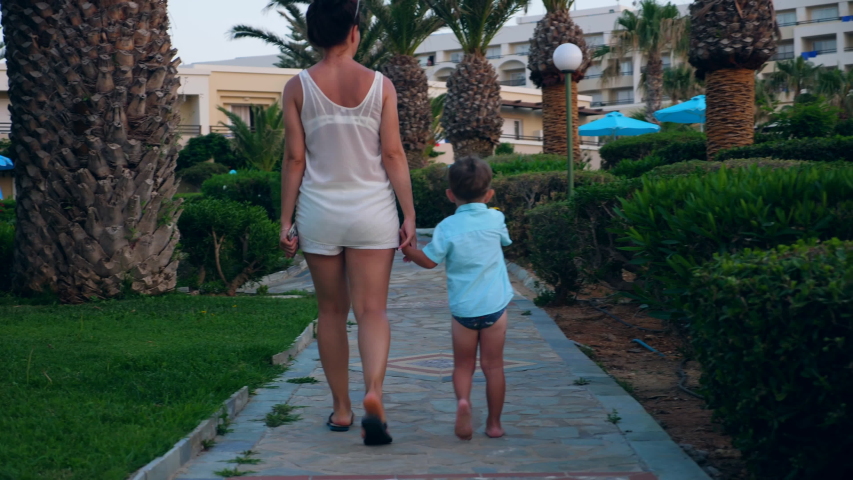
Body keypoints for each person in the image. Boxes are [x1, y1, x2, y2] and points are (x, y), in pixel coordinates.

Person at [278, 0, 416, 446]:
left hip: (319, 212)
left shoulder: (298, 86)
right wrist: (409, 213)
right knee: (372, 310)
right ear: (354, 32)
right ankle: (374, 392)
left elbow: (295, 158)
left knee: (331, 312)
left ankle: (341, 409)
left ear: (312, 35)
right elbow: (393, 153)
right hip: (373, 211)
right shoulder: (380, 85)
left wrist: (285, 220)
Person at [401, 156, 513, 440]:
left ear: (450, 195)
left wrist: (409, 250)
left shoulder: (447, 228)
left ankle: (463, 401)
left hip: (463, 311)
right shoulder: (496, 218)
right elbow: (505, 242)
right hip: (495, 308)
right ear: (489, 194)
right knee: (494, 366)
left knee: (463, 365)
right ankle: (494, 424)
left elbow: (428, 262)